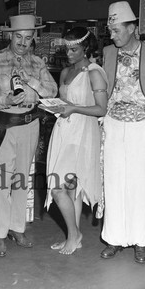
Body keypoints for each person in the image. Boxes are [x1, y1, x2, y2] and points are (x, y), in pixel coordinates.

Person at [100, 1, 145, 264]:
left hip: (143, 125)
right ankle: (115, 238)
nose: (112, 34)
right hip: (113, 124)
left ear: (132, 28)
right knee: (114, 182)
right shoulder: (108, 53)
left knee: (141, 184)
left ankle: (142, 242)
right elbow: (102, 92)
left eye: (117, 30)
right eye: (110, 30)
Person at [0, 14, 57, 257]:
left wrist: (32, 81)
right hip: (5, 123)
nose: (23, 42)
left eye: (28, 37)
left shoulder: (37, 63)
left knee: (22, 178)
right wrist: (6, 99)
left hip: (30, 123)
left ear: (33, 37)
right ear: (10, 36)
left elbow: (52, 90)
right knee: (1, 181)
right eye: (18, 37)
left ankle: (16, 228)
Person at [44, 27, 107, 255]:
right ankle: (75, 236)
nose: (69, 53)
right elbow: (64, 103)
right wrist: (55, 106)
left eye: (74, 49)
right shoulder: (64, 72)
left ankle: (74, 234)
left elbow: (102, 109)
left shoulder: (94, 73)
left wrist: (74, 108)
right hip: (63, 130)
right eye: (67, 48)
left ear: (86, 48)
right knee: (71, 189)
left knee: (58, 189)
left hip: (82, 133)